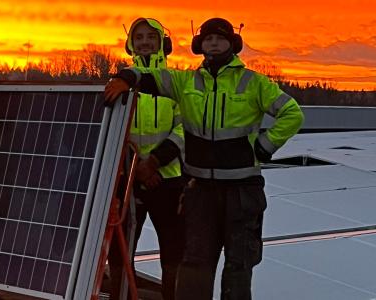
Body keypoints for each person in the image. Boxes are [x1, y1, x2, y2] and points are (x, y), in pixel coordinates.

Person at [104, 18, 304, 300]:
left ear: (233, 44)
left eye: (220, 38)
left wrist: (263, 147)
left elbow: (293, 113)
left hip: (235, 189)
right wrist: (125, 78)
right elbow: (142, 84)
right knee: (194, 263)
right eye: (208, 38)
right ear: (200, 44)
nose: (214, 43)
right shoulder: (186, 81)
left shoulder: (253, 82)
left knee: (237, 266)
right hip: (195, 190)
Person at [105, 17, 185, 300]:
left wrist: (154, 164)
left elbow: (184, 128)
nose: (145, 42)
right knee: (120, 249)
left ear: (163, 42)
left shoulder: (177, 84)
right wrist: (135, 167)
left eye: (151, 37)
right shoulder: (119, 84)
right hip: (128, 180)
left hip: (167, 179)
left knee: (173, 249)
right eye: (138, 37)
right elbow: (112, 129)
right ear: (130, 44)